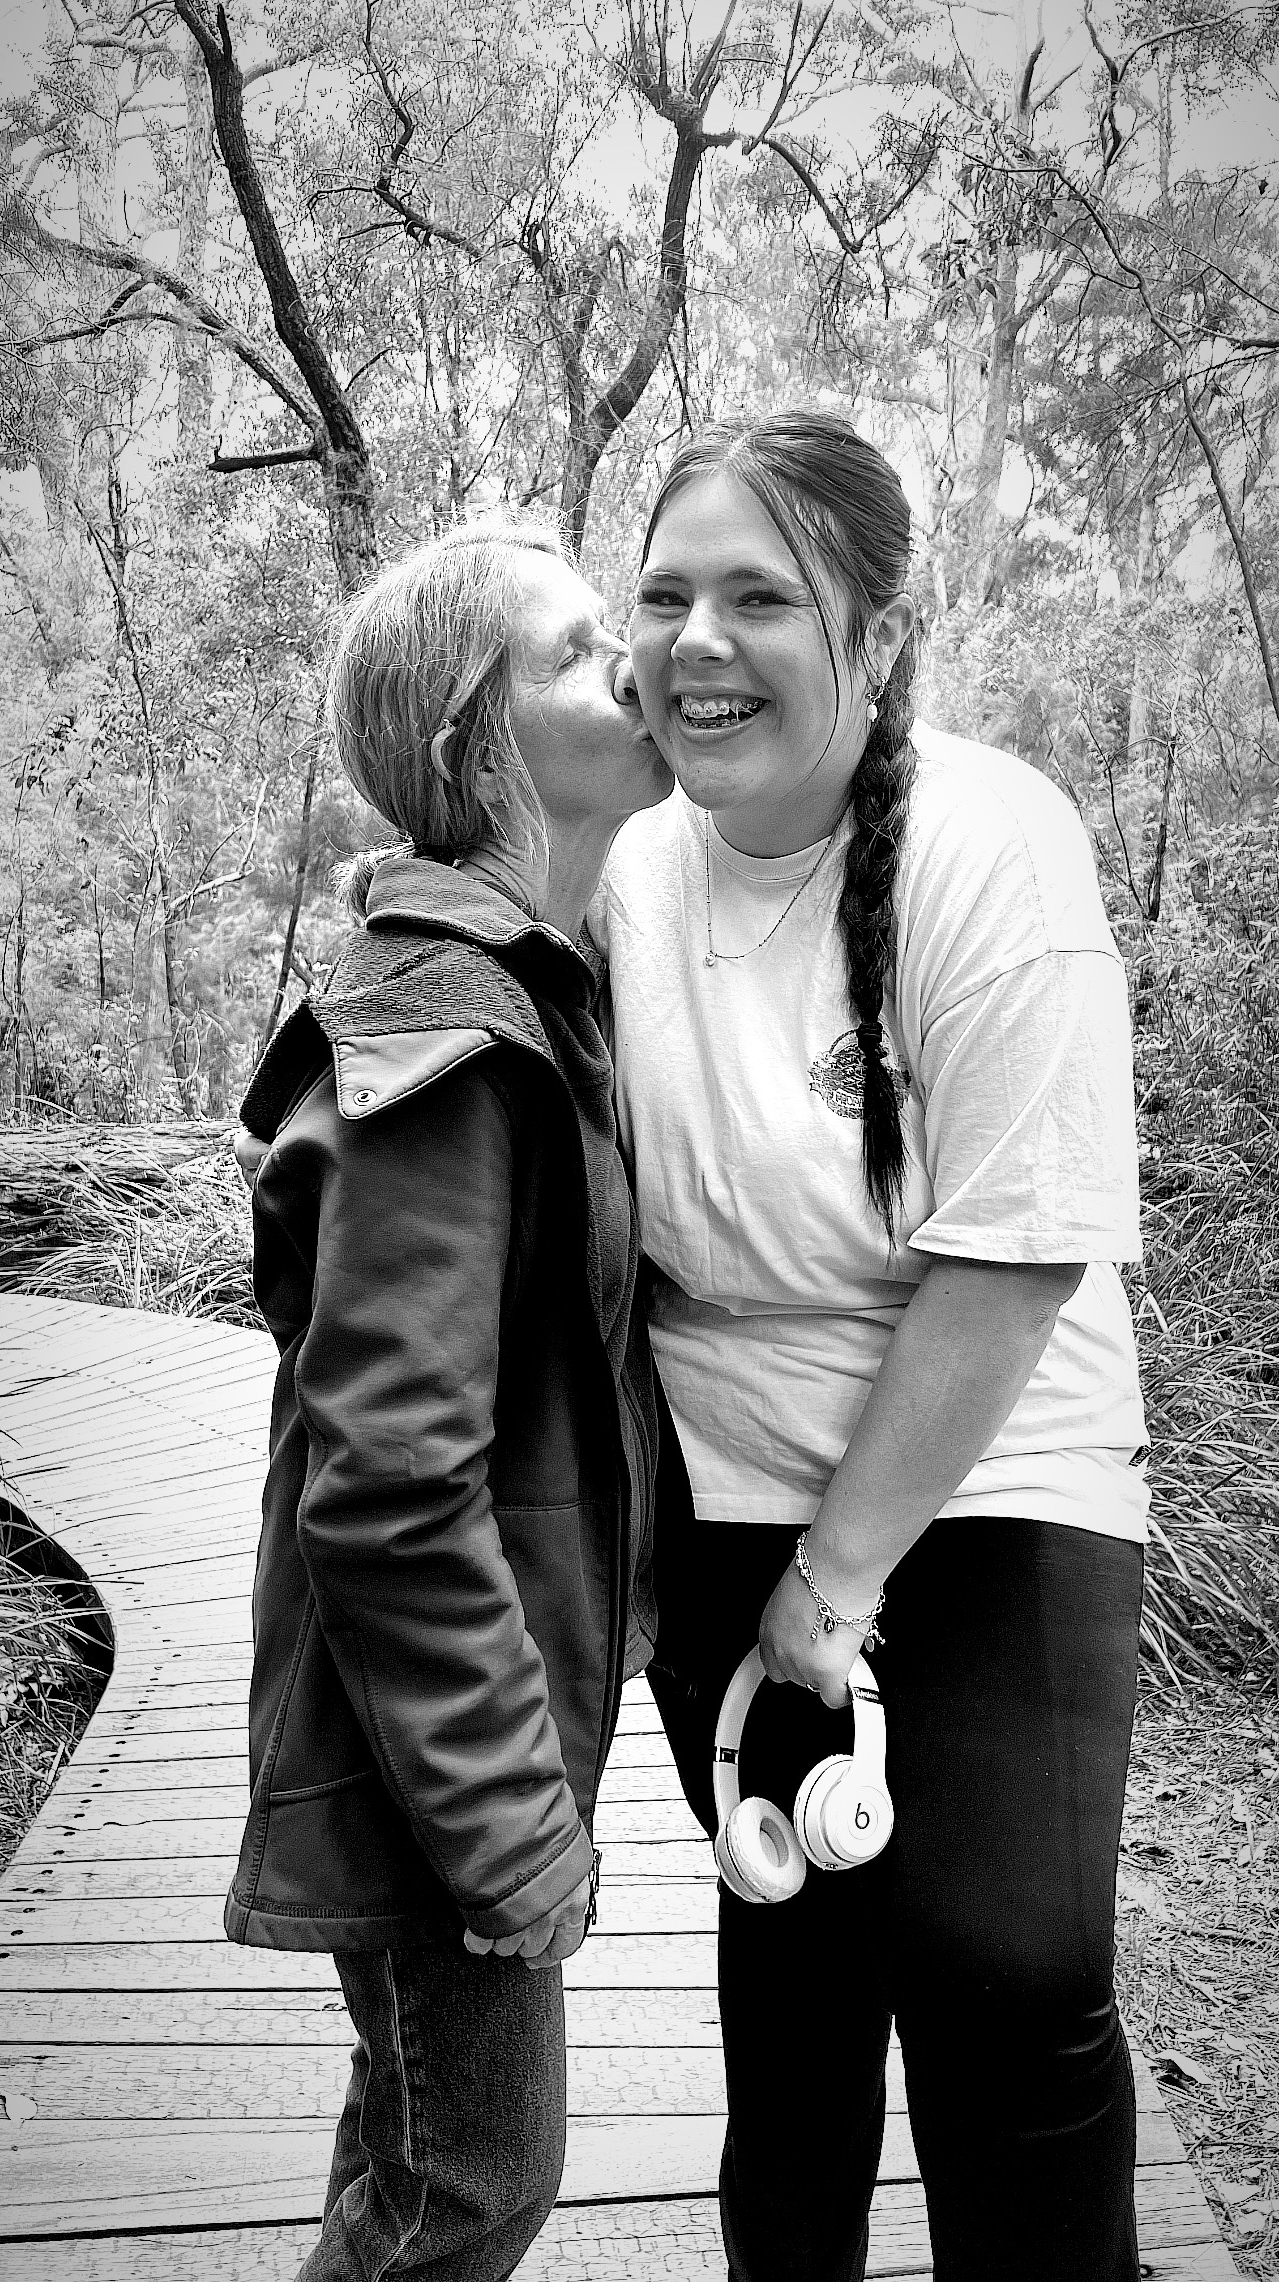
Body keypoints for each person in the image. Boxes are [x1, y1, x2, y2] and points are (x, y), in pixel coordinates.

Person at [595, 410, 1149, 2282]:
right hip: (725, 1471)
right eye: (666, 593)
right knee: (799, 1967)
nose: (698, 640)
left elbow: (1012, 1263)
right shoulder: (625, 870)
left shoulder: (993, 849)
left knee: (1008, 1969)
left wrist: (833, 1587)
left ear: (881, 633)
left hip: (991, 1460)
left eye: (762, 597)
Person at [225, 516, 670, 2281]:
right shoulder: (449, 1038)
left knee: (418, 2153)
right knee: (474, 2180)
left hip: (441, 1730)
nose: (631, 661)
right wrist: (509, 1835)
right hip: (427, 1764)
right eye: (573, 648)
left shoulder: (528, 994)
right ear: (474, 745)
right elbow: (393, 1487)